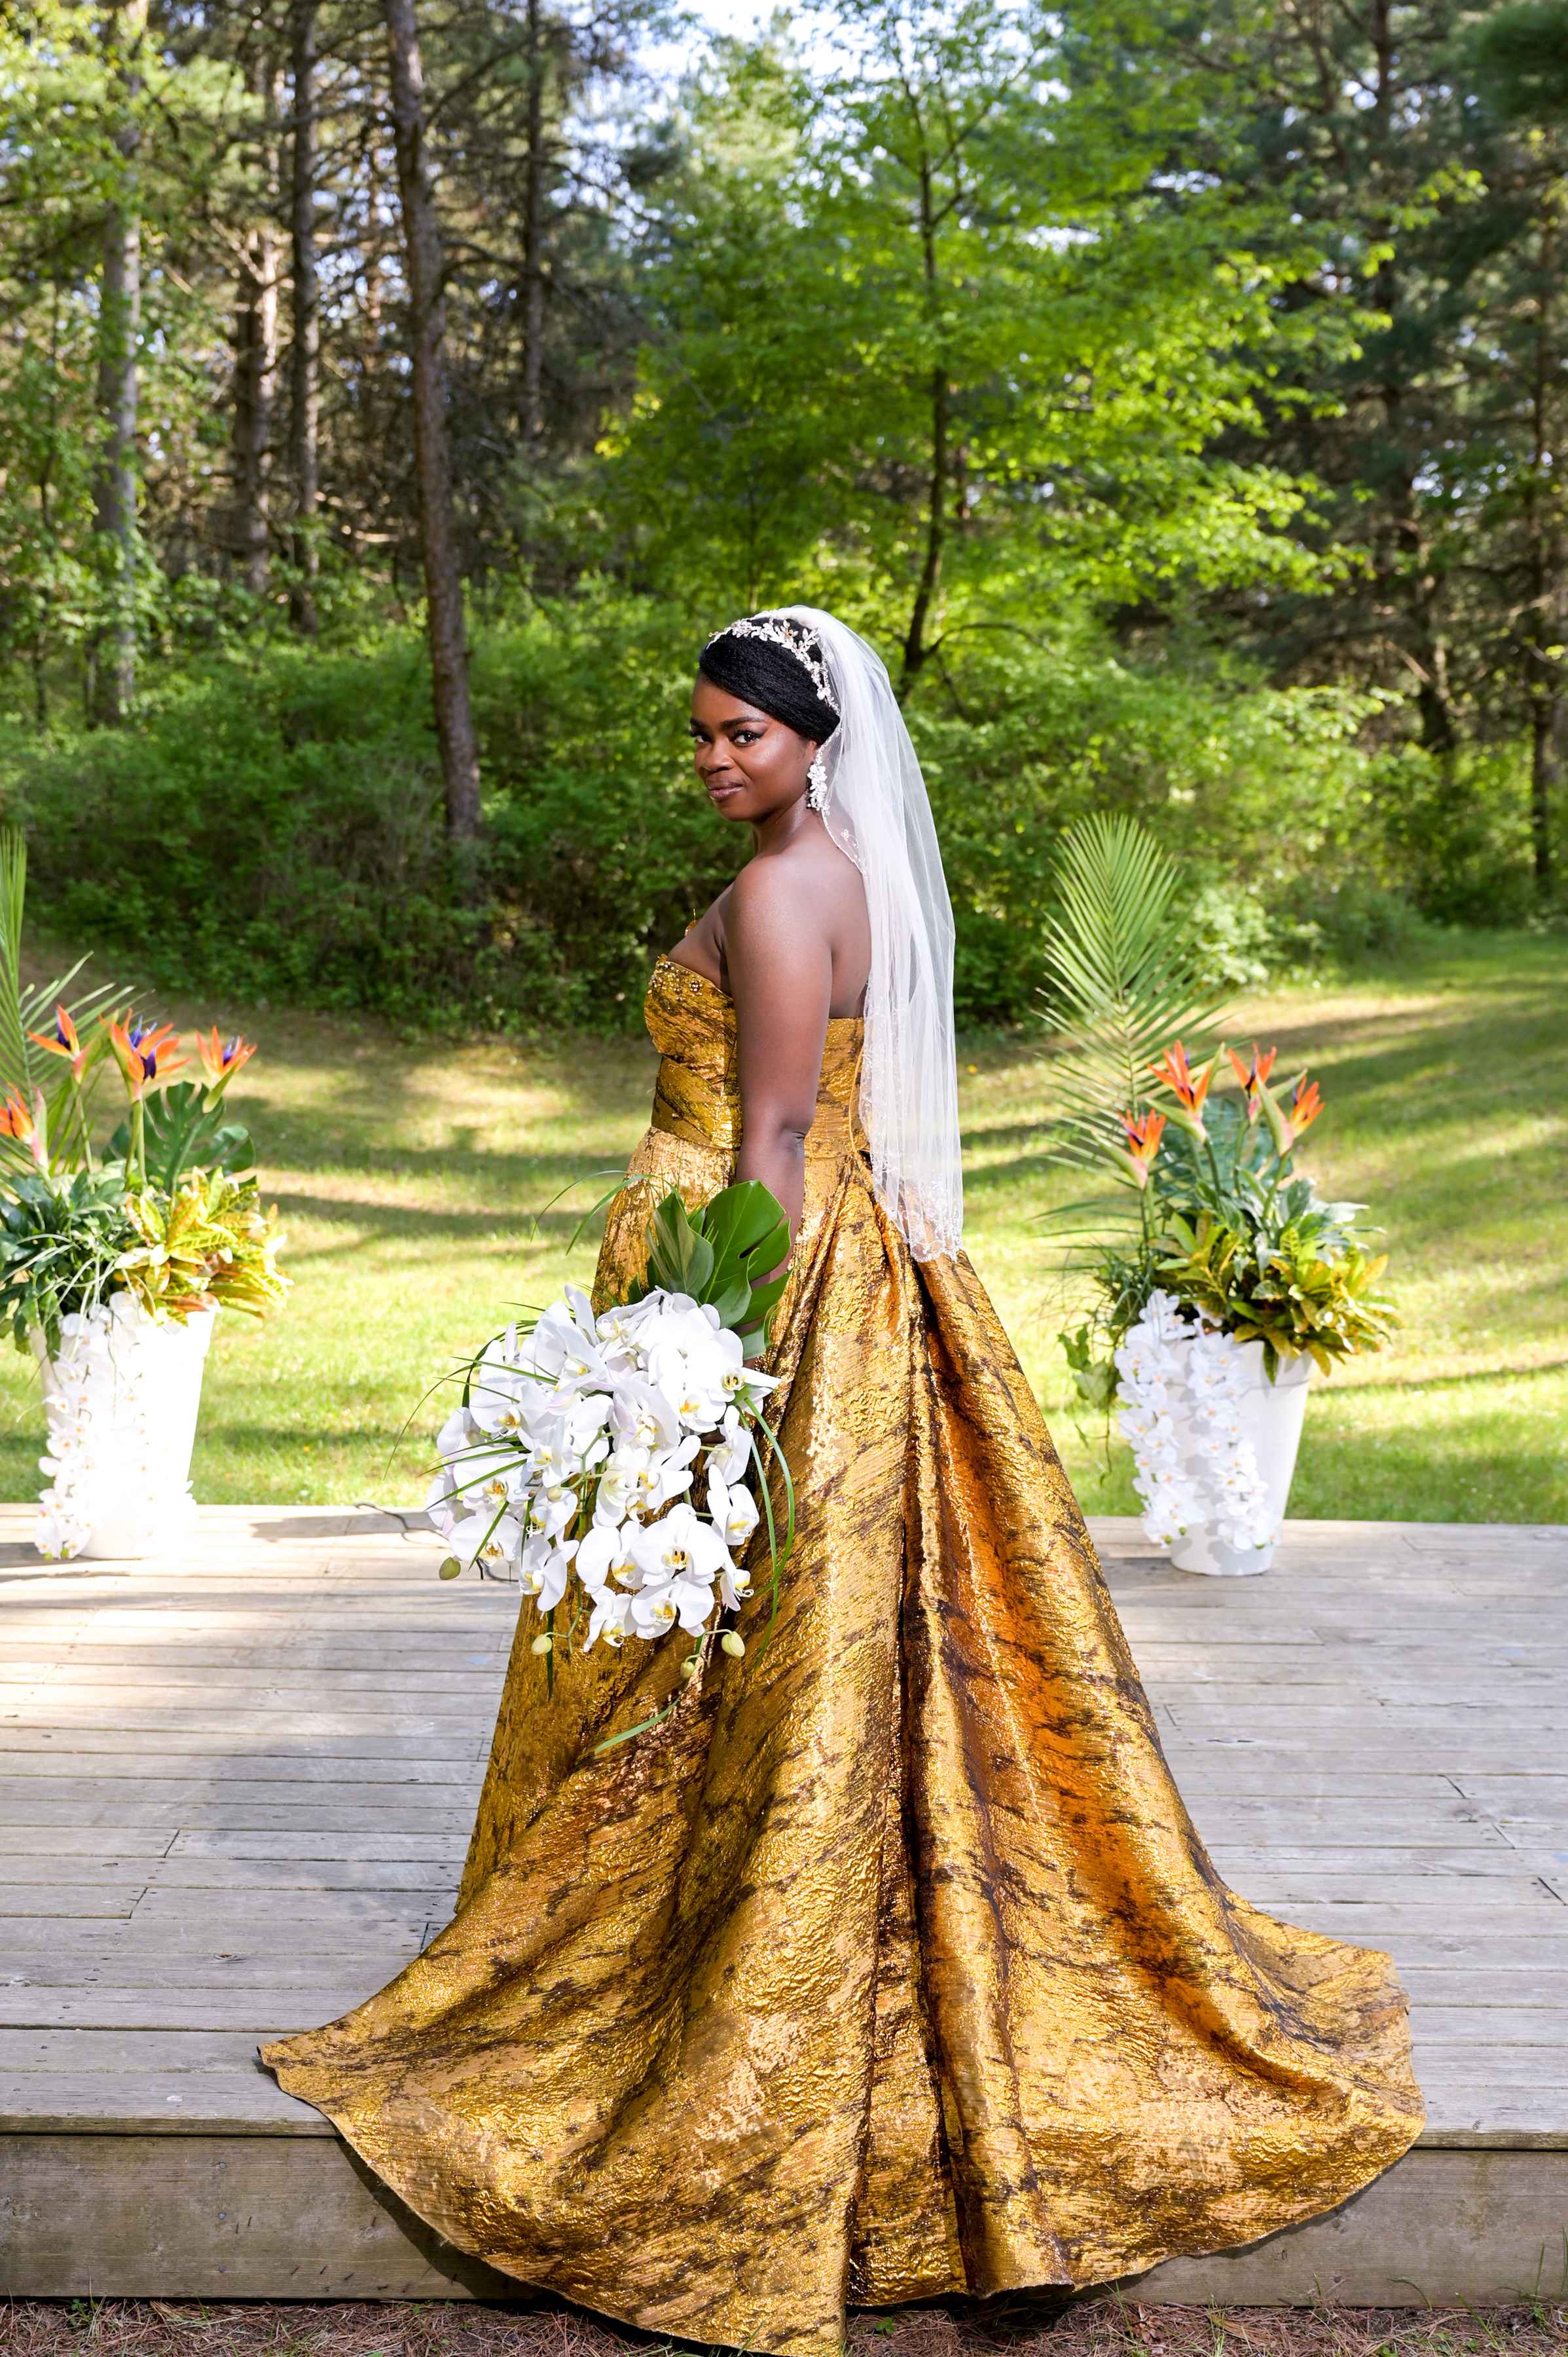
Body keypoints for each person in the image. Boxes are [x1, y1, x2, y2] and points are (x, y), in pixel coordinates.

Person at [263, 607, 1421, 2354]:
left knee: (730, 1640)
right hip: (830, 1265)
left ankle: (722, 1982)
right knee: (839, 1651)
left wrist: (708, 1353)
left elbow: (778, 1134)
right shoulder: (843, 875)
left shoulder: (778, 893)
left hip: (759, 1276)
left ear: (818, 742)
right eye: (703, 734)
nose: (716, 758)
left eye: (745, 733)